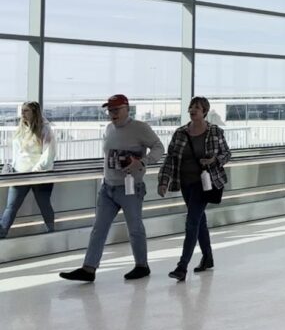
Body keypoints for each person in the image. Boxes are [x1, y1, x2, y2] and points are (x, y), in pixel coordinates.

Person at [60, 94, 164, 282]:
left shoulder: (140, 128)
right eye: (110, 110)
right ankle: (89, 268)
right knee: (99, 229)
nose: (112, 114)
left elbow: (158, 147)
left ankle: (142, 265)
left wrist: (142, 161)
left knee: (135, 228)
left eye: (116, 110)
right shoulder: (108, 129)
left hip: (130, 188)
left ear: (127, 109)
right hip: (108, 188)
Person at [158, 96, 231, 282]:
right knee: (199, 222)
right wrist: (163, 181)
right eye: (191, 107)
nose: (193, 110)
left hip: (204, 184)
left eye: (197, 107)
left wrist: (214, 160)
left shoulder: (214, 131)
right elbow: (171, 158)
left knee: (192, 222)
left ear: (204, 111)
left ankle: (182, 266)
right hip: (185, 183)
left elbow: (226, 153)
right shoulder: (180, 133)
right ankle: (208, 258)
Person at [0, 101, 56, 238]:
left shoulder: (45, 129)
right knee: (11, 206)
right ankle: (2, 234)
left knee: (44, 205)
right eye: (22, 110)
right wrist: (13, 167)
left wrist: (37, 169)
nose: (22, 114)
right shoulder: (21, 129)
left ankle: (51, 232)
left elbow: (49, 153)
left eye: (26, 111)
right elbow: (17, 153)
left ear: (34, 112)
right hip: (20, 173)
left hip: (39, 175)